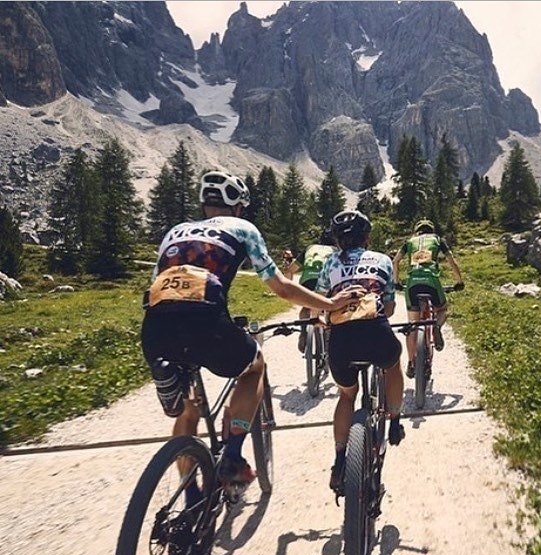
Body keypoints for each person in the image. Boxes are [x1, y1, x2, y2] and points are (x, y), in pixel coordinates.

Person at [140, 170, 362, 506]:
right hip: (206, 322)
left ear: (204, 204)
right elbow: (282, 288)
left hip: (156, 328)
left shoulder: (174, 232)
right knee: (253, 366)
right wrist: (330, 304)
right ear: (238, 207)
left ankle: (190, 498)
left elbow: (156, 284)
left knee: (187, 409)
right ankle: (231, 455)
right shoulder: (243, 229)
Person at [315, 210, 406, 495]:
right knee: (392, 364)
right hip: (375, 333)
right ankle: (395, 422)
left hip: (341, 341)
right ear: (367, 237)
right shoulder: (381, 260)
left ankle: (341, 459)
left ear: (338, 241)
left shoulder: (329, 262)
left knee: (346, 395)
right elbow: (389, 308)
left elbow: (319, 306)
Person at [392, 218, 464, 379]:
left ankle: (411, 363)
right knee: (443, 309)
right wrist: (459, 281)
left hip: (412, 284)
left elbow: (395, 261)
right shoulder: (437, 239)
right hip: (432, 280)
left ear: (417, 231)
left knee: (412, 325)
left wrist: (396, 282)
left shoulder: (409, 241)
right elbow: (451, 261)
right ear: (431, 230)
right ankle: (437, 326)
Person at [283, 227, 338, 353]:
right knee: (329, 309)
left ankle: (303, 333)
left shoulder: (310, 248)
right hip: (326, 281)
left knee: (306, 309)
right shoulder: (336, 250)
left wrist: (289, 288)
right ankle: (330, 338)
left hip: (307, 281)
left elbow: (290, 270)